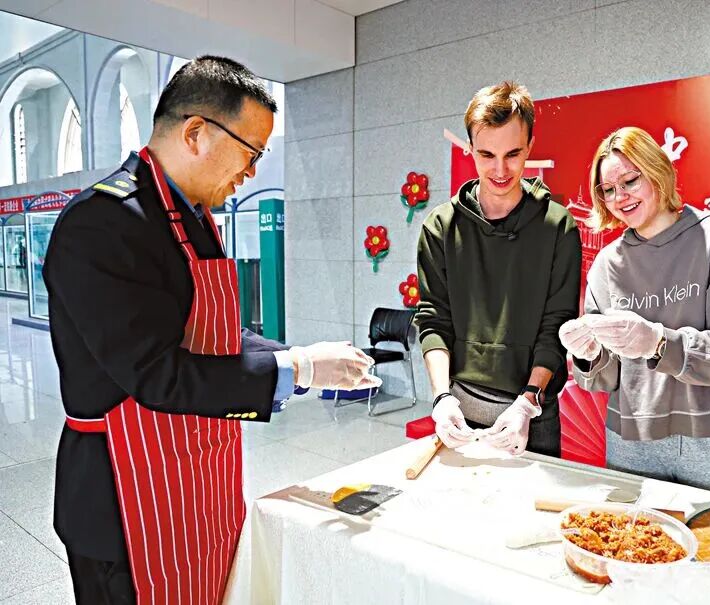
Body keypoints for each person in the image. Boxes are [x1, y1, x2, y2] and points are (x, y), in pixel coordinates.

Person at [44, 55, 379, 604]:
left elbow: (215, 333)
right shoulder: (104, 222)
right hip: (125, 494)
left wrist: (303, 356)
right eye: (251, 152)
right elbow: (156, 373)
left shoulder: (191, 216)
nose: (252, 172)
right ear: (195, 132)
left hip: (196, 478)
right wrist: (295, 370)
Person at [558, 126, 710, 500]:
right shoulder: (606, 265)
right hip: (633, 444)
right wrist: (588, 356)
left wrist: (658, 342)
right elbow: (603, 379)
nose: (620, 197)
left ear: (658, 171)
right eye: (608, 190)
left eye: (630, 181)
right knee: (632, 537)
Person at [416, 81, 581, 457]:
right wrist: (442, 398)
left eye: (513, 153)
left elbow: (556, 325)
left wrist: (527, 402)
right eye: (487, 154)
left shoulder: (557, 226)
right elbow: (434, 320)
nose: (501, 169)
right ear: (470, 148)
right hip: (459, 414)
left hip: (532, 416)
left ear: (530, 147)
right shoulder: (440, 227)